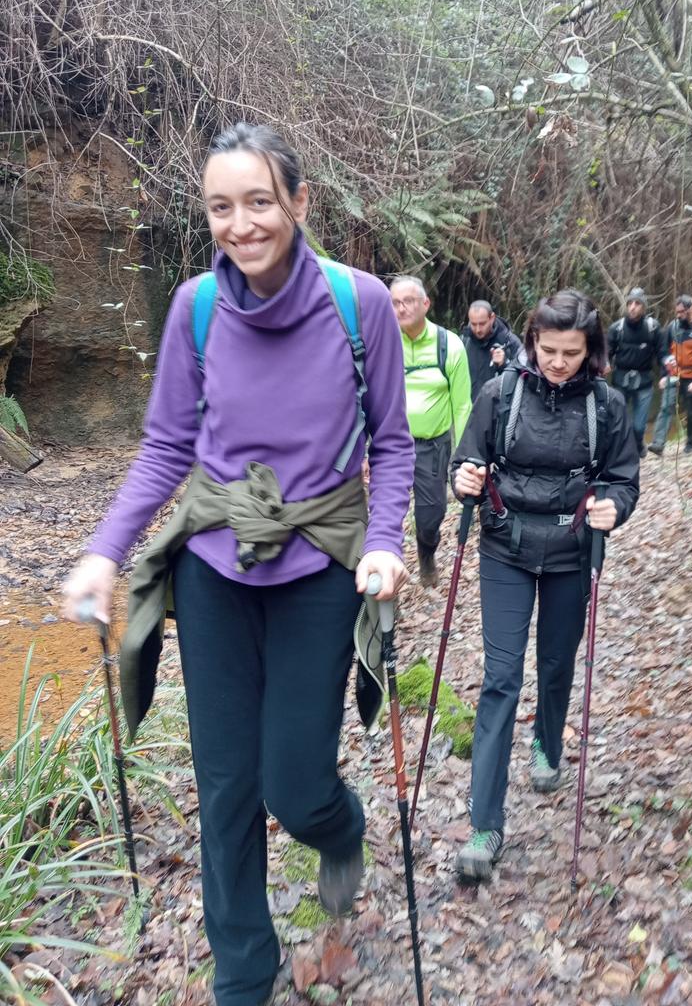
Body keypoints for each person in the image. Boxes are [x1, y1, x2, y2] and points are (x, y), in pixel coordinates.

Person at [61, 123, 414, 1006]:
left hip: (319, 567)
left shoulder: (358, 302)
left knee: (294, 783)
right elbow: (166, 446)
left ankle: (339, 828)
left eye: (259, 201)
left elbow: (395, 444)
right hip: (216, 568)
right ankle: (243, 980)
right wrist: (107, 551)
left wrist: (383, 541)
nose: (241, 223)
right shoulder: (196, 308)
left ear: (299, 202)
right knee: (224, 787)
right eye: (222, 206)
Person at [449, 289, 639, 880]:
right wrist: (466, 480)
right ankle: (485, 825)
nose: (558, 362)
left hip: (569, 554)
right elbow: (467, 459)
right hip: (504, 549)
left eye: (571, 352)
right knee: (500, 679)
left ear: (591, 351)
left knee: (556, 665)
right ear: (531, 341)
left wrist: (613, 505)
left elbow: (623, 480)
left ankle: (549, 747)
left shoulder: (605, 407)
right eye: (549, 349)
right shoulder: (499, 393)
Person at [390, 276, 471, 587]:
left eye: (408, 301)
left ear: (425, 303)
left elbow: (462, 406)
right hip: (391, 444)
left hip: (432, 446)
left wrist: (464, 457)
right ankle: (387, 573)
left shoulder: (449, 345)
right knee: (384, 514)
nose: (401, 308)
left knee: (429, 517)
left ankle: (426, 553)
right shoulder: (385, 340)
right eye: (395, 303)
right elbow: (367, 394)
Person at [648, 293, 692, 455]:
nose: (678, 315)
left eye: (681, 312)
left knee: (691, 411)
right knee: (666, 407)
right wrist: (665, 374)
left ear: (691, 309)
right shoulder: (673, 327)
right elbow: (665, 352)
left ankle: (691, 444)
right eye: (677, 312)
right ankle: (658, 443)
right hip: (675, 374)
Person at [605, 287, 666, 456]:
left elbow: (662, 354)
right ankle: (620, 453)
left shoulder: (653, 328)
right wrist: (604, 363)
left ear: (643, 307)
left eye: (637, 303)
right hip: (620, 382)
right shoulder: (616, 329)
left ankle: (638, 443)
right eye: (630, 303)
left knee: (638, 427)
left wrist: (665, 375)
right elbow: (607, 351)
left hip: (644, 382)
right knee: (618, 421)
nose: (632, 307)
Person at [460, 299, 523, 402]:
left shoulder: (509, 342)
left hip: (496, 411)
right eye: (473, 324)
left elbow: (523, 378)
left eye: (482, 324)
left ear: (492, 318)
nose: (478, 329)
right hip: (469, 410)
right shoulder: (463, 342)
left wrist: (504, 364)